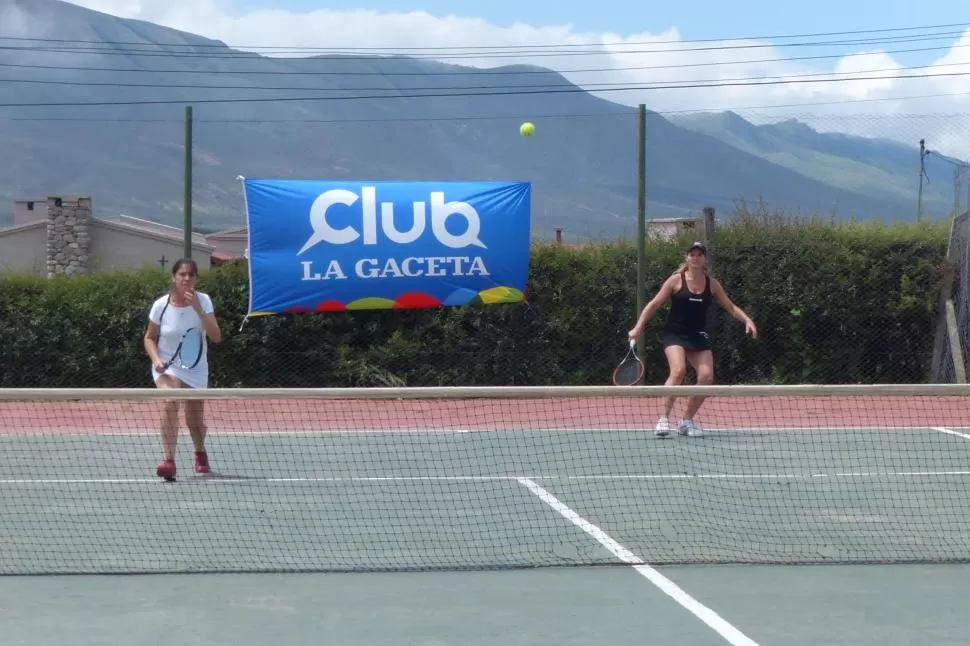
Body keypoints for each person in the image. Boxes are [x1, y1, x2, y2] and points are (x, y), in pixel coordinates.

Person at [627, 242, 757, 438]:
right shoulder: (675, 281)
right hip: (675, 333)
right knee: (678, 371)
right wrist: (638, 327)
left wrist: (747, 319)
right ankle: (663, 420)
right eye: (692, 254)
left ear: (705, 259)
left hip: (697, 335)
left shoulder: (712, 284)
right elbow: (653, 305)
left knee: (706, 377)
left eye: (700, 255)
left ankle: (686, 421)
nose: (696, 258)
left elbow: (730, 307)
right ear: (687, 258)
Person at [143, 258, 223, 480]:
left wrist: (198, 309)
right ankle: (169, 461)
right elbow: (149, 338)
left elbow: (216, 337)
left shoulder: (204, 301)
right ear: (174, 277)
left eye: (191, 275)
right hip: (166, 367)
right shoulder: (161, 305)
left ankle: (199, 450)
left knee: (194, 420)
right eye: (182, 275)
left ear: (195, 278)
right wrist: (157, 359)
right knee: (170, 402)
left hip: (195, 367)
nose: (186, 279)